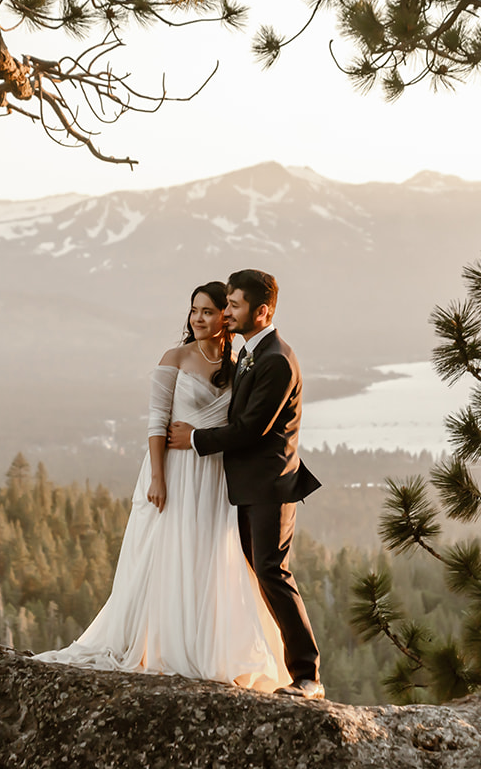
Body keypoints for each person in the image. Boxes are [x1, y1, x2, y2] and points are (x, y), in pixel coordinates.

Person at [34, 282, 289, 691]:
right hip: (176, 470)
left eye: (208, 311)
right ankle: (165, 644)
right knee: (171, 553)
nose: (199, 319)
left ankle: (206, 647)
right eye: (194, 311)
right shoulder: (175, 358)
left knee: (209, 558)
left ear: (227, 315)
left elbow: (242, 425)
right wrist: (157, 477)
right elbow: (156, 423)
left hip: (215, 475)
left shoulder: (239, 361)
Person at [167, 269, 324, 700]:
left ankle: (308, 675)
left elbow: (252, 428)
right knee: (260, 572)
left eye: (234, 305)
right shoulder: (252, 351)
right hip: (248, 485)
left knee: (274, 572)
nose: (226, 312)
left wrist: (195, 438)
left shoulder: (275, 359)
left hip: (270, 485)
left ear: (263, 311)